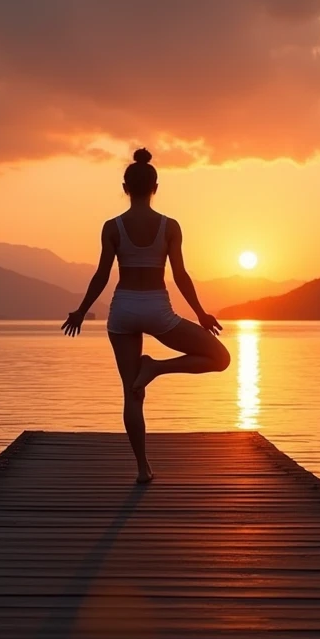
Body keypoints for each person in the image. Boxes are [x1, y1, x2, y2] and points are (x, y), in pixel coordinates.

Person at [62, 149, 231, 483]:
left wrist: (82, 311)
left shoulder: (113, 226)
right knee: (220, 357)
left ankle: (142, 469)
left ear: (125, 187)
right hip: (158, 310)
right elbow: (181, 275)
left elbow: (101, 275)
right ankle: (156, 367)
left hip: (123, 310)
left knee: (131, 393)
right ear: (156, 186)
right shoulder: (169, 226)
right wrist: (200, 313)